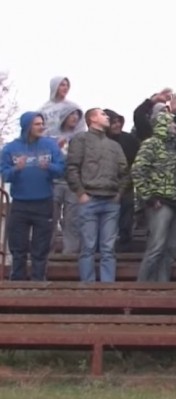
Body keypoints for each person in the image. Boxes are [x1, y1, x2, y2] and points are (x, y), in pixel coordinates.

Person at [66, 108, 129, 283]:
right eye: (103, 114)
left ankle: (107, 287)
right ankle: (88, 287)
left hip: (111, 201)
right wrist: (80, 193)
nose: (107, 117)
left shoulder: (115, 145)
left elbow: (125, 172)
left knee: (108, 248)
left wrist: (119, 194)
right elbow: (72, 168)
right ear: (92, 118)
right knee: (88, 247)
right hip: (90, 199)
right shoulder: (81, 139)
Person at [1, 112, 65, 280]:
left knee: (41, 247)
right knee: (18, 246)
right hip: (20, 204)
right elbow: (5, 175)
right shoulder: (10, 148)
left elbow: (61, 170)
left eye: (42, 123)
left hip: (44, 202)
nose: (41, 127)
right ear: (27, 126)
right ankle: (17, 282)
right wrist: (17, 168)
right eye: (37, 124)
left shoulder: (50, 146)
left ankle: (38, 281)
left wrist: (49, 167)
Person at [131, 112, 176, 282]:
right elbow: (137, 171)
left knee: (170, 249)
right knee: (156, 247)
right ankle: (141, 289)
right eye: (171, 123)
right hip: (159, 203)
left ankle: (163, 287)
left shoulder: (171, 148)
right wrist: (148, 197)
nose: (175, 126)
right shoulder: (151, 144)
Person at [46, 104, 83, 254]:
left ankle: (70, 252)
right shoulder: (50, 136)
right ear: (64, 117)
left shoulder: (80, 137)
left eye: (77, 115)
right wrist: (56, 146)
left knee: (72, 219)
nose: (74, 118)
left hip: (72, 184)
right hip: (53, 183)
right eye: (71, 114)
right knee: (50, 218)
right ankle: (47, 250)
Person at [104, 109, 140, 252]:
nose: (117, 125)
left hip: (127, 185)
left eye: (119, 122)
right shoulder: (101, 141)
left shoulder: (129, 139)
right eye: (113, 122)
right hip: (105, 186)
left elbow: (138, 161)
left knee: (126, 216)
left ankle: (125, 245)